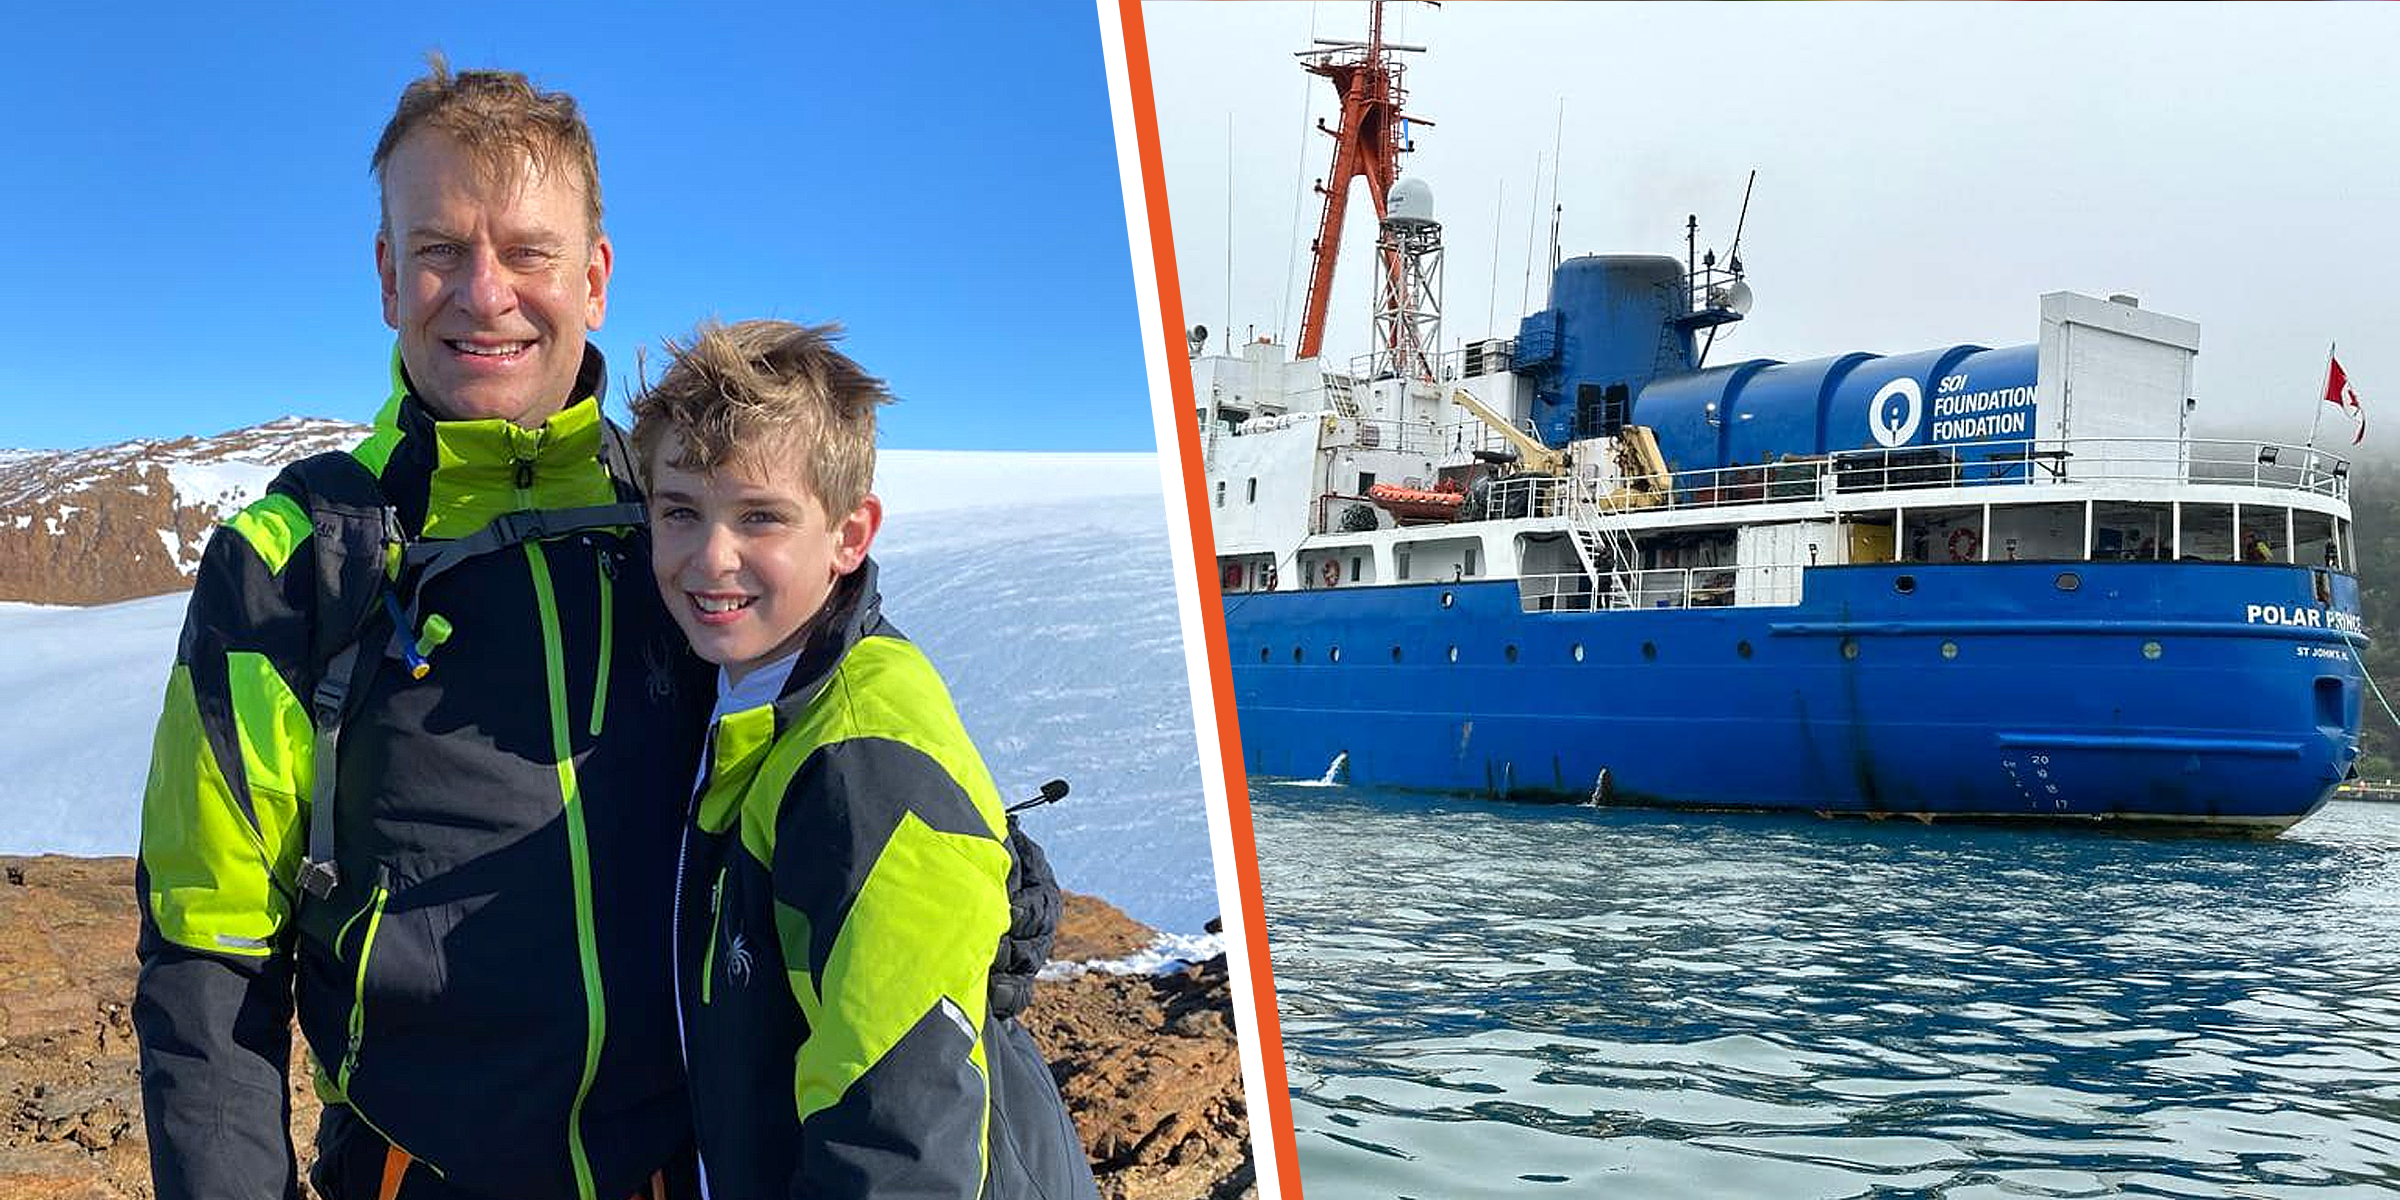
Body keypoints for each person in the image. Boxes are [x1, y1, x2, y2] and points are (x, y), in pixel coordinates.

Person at [131, 63, 1055, 1200]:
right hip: (414, 1177)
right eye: (438, 251)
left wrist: (985, 873)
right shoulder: (293, 565)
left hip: (683, 1170)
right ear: (386, 276)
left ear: (595, 276)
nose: (484, 294)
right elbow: (205, 952)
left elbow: (829, 703)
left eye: (529, 252)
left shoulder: (674, 518)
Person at [632, 320, 1099, 1200]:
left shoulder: (862, 763)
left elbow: (898, 1141)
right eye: (680, 512)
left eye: (759, 516)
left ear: (850, 535)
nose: (710, 557)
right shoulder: (752, 696)